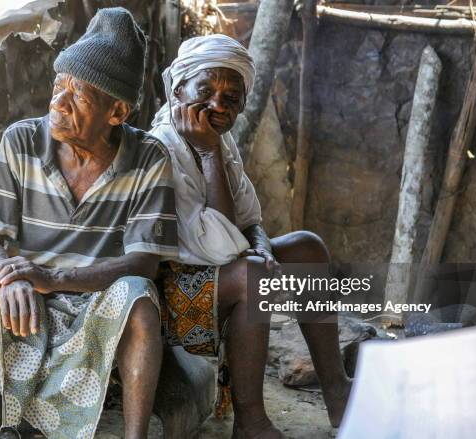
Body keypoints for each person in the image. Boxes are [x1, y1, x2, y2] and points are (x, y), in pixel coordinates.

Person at [0, 8, 177, 439]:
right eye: (58, 85)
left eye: (78, 96)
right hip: (24, 300)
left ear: (117, 112)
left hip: (98, 302)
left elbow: (144, 264)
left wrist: (52, 276)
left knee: (139, 299)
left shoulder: (148, 158)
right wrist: (8, 279)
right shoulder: (22, 140)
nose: (57, 102)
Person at [150, 34, 352, 438]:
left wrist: (260, 244)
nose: (217, 105)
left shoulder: (218, 141)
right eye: (205, 91)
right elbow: (220, 247)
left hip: (214, 272)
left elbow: (249, 217)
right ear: (177, 89)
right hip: (166, 293)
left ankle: (338, 391)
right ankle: (251, 421)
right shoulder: (162, 148)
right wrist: (208, 155)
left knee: (307, 248)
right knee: (252, 276)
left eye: (231, 97)